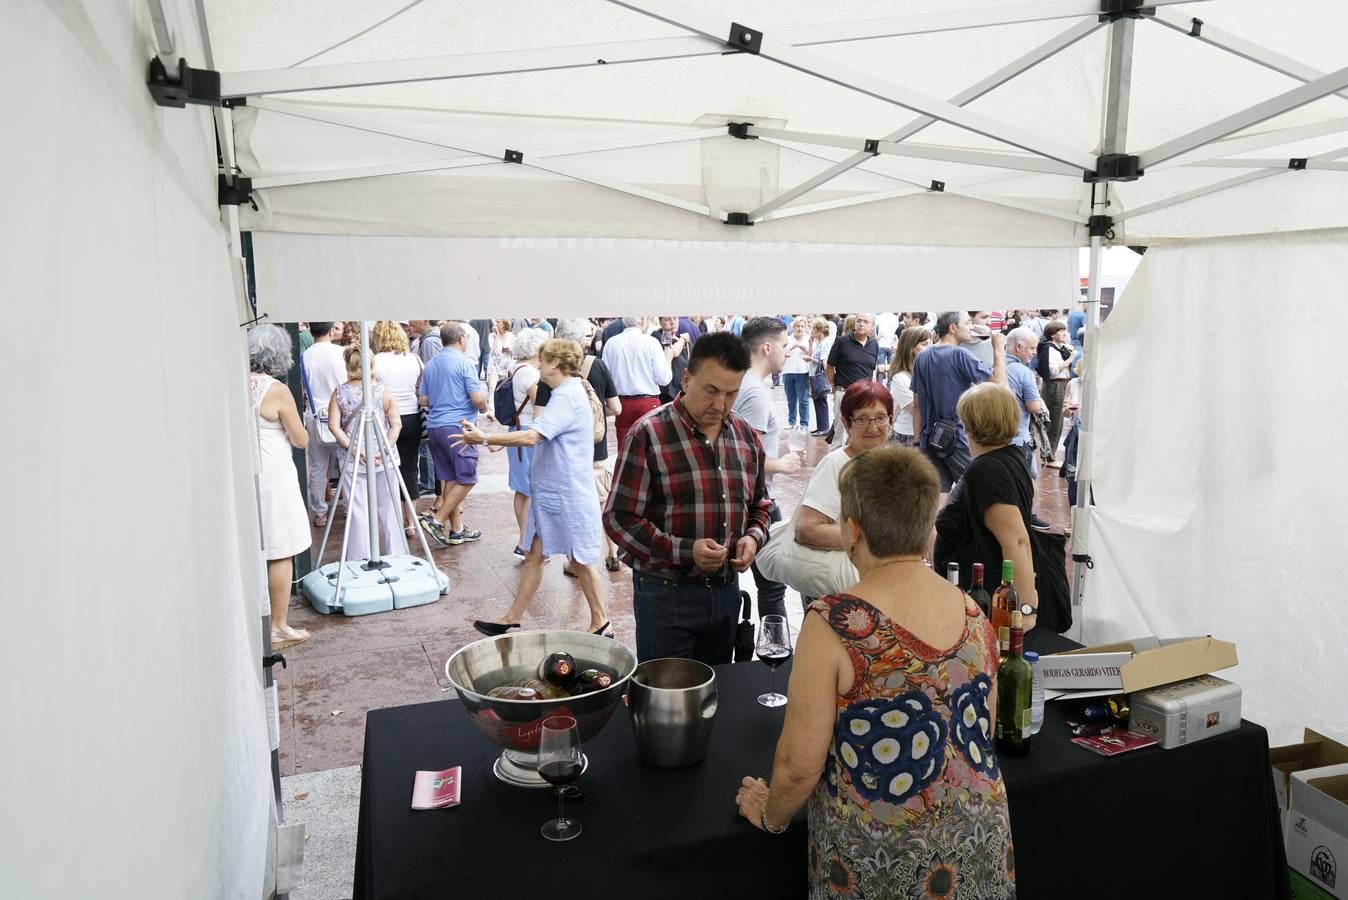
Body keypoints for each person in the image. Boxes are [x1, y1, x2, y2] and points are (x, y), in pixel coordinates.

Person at [734, 447, 1015, 899]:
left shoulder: (836, 622)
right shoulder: (972, 611)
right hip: (979, 842)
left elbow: (798, 766)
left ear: (852, 530)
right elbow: (985, 728)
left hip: (882, 858)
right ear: (928, 529)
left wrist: (771, 815)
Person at [604, 332, 772, 665]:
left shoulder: (745, 436)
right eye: (711, 391)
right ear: (686, 378)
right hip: (666, 593)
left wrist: (753, 538)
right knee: (668, 696)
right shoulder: (648, 434)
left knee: (718, 693)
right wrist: (684, 551)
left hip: (726, 593)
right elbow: (618, 518)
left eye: (731, 393)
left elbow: (761, 505)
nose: (720, 405)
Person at [458, 339, 613, 637]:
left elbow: (533, 437)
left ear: (554, 363)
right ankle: (511, 617)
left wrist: (486, 439)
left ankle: (602, 622)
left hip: (565, 495)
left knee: (580, 560)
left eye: (540, 360)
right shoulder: (563, 393)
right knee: (535, 555)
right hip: (553, 495)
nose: (536, 365)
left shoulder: (567, 395)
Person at [934, 383, 1040, 630]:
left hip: (987, 607)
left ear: (970, 422)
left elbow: (1016, 541)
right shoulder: (1009, 456)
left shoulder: (986, 470)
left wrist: (1025, 610)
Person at [538, 319, 623, 574]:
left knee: (575, 510)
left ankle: (578, 562)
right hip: (597, 448)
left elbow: (541, 418)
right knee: (603, 501)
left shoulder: (551, 373)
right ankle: (613, 553)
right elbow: (616, 408)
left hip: (568, 455)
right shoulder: (597, 365)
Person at [734, 317, 804, 621]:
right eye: (784, 345)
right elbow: (747, 458)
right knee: (773, 586)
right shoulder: (754, 393)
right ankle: (775, 651)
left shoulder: (744, 384)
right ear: (766, 347)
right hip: (757, 502)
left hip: (748, 500)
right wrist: (784, 464)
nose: (787, 352)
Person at [248, 324, 312, 650]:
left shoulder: (236, 384)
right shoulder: (276, 390)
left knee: (256, 549)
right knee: (280, 550)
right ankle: (278, 626)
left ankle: (260, 622)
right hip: (275, 474)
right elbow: (301, 438)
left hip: (247, 474)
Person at [793, 381, 895, 563]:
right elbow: (807, 529)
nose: (873, 428)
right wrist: (874, 539)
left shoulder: (893, 463)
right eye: (862, 419)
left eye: (880, 417)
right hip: (839, 586)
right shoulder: (836, 464)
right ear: (846, 423)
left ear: (890, 420)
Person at [910, 311, 1007, 499]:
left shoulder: (922, 356)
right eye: (967, 322)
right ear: (952, 328)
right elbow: (998, 385)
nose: (971, 327)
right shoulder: (960, 354)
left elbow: (916, 404)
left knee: (937, 497)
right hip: (957, 439)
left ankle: (939, 529)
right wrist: (999, 349)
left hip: (929, 438)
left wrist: (917, 442)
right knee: (980, 490)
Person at [328, 346, 406, 561]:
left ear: (348, 366)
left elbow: (334, 426)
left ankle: (358, 558)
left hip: (352, 458)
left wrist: (355, 450)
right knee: (390, 509)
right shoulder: (383, 391)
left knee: (357, 511)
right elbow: (396, 424)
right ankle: (396, 556)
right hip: (384, 456)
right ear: (371, 365)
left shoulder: (339, 392)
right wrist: (385, 448)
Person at [419, 322, 487, 546]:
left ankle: (457, 529)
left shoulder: (431, 364)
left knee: (450, 477)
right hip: (457, 427)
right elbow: (477, 399)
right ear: (461, 340)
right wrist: (484, 406)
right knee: (467, 477)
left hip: (435, 426)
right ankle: (437, 520)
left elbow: (424, 400)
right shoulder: (464, 363)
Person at [372, 320, 424, 537]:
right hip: (411, 416)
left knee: (385, 469)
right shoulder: (414, 359)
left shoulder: (376, 360)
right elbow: (420, 385)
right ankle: (410, 521)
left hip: (386, 419)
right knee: (410, 468)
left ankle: (390, 518)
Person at [298, 321, 345, 527]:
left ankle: (319, 512)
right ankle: (349, 504)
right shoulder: (341, 353)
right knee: (347, 463)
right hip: (342, 413)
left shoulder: (304, 356)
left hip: (315, 414)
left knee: (318, 466)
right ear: (330, 330)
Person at [505, 327, 546, 560]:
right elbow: (540, 401)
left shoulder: (515, 368)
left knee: (522, 489)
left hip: (518, 429)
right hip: (528, 431)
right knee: (530, 489)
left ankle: (524, 540)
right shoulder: (529, 373)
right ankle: (527, 542)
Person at [603, 316, 675, 449]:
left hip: (622, 403)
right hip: (647, 403)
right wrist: (668, 359)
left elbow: (606, 378)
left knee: (624, 448)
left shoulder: (611, 343)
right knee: (651, 447)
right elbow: (664, 379)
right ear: (643, 320)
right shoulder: (651, 342)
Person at [825, 313, 878, 446]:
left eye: (866, 322)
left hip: (864, 396)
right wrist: (833, 385)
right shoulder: (842, 342)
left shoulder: (874, 345)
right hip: (844, 393)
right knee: (840, 434)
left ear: (872, 327)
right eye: (859, 321)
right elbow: (830, 366)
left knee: (861, 432)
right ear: (854, 323)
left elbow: (871, 370)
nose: (861, 324)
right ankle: (835, 465)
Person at [1004, 327, 1049, 480]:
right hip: (1018, 438)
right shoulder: (1023, 372)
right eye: (1031, 347)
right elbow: (1034, 407)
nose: (1034, 352)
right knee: (1027, 479)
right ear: (1018, 347)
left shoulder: (993, 365)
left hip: (993, 437)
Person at [887, 326, 931, 446]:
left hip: (924, 432)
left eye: (930, 344)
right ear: (911, 348)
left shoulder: (925, 370)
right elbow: (916, 409)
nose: (929, 348)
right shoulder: (900, 378)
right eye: (924, 344)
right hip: (907, 435)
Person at [1037, 321, 1073, 464]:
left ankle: (1050, 454)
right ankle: (1049, 456)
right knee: (1053, 421)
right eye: (1061, 331)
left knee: (1057, 421)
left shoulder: (1057, 348)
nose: (1065, 333)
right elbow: (1053, 370)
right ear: (1052, 335)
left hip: (1060, 385)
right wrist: (1070, 359)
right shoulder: (1049, 349)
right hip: (1055, 385)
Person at [651, 316, 692, 404]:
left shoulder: (687, 344)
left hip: (681, 392)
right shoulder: (656, 337)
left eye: (675, 318)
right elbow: (673, 352)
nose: (673, 322)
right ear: (660, 322)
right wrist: (683, 339)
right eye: (667, 319)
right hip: (665, 393)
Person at [781, 317, 812, 429]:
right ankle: (791, 422)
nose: (800, 328)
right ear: (793, 327)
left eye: (802, 326)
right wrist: (792, 347)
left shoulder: (809, 339)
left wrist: (805, 349)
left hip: (802, 372)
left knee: (803, 400)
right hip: (788, 371)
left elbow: (812, 354)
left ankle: (804, 424)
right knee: (791, 400)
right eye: (798, 326)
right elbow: (782, 353)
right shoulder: (787, 339)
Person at [808, 317, 833, 437]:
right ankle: (820, 426)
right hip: (815, 375)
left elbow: (824, 362)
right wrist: (810, 342)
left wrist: (810, 359)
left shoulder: (825, 343)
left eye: (814, 328)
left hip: (819, 375)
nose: (812, 331)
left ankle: (824, 427)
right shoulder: (819, 343)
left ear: (820, 329)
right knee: (817, 401)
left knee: (821, 401)